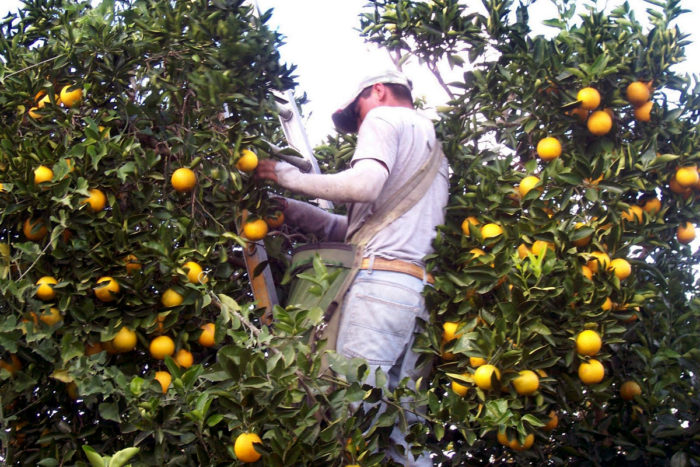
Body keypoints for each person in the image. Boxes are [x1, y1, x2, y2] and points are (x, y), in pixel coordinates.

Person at [255, 69, 449, 466]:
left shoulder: (383, 118)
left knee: (352, 424)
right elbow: (365, 228)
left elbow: (363, 185)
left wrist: (287, 175)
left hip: (379, 289)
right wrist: (295, 211)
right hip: (418, 299)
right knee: (400, 436)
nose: (361, 124)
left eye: (357, 113)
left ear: (377, 91)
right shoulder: (434, 148)